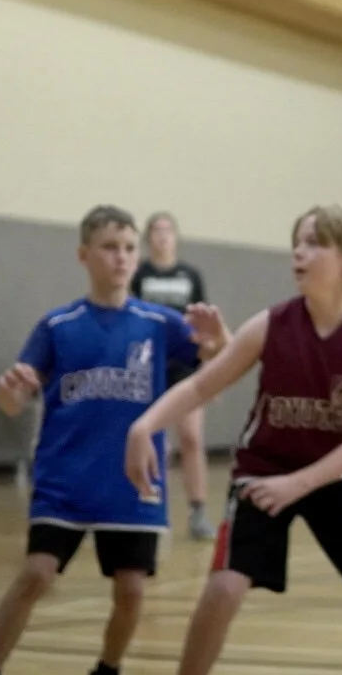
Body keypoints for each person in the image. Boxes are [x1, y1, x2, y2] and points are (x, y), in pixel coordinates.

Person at [125, 205, 342, 675]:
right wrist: (144, 426)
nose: (298, 251)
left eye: (313, 242)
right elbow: (201, 385)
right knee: (225, 587)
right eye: (297, 241)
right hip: (263, 468)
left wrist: (298, 484)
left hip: (334, 473)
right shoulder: (271, 324)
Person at [0, 205, 229, 675]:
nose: (122, 257)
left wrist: (218, 341)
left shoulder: (159, 323)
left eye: (130, 248)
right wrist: (10, 392)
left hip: (132, 482)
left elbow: (221, 364)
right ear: (84, 255)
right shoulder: (57, 326)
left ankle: (107, 668)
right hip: (64, 478)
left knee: (131, 589)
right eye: (110, 247)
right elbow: (14, 401)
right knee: (36, 574)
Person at [131, 211, 216, 539]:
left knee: (191, 438)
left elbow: (204, 326)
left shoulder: (190, 275)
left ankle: (198, 512)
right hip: (149, 364)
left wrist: (211, 371)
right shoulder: (140, 274)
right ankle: (149, 505)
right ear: (148, 237)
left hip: (185, 366)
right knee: (149, 438)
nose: (163, 236)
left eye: (168, 230)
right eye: (156, 230)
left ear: (176, 237)